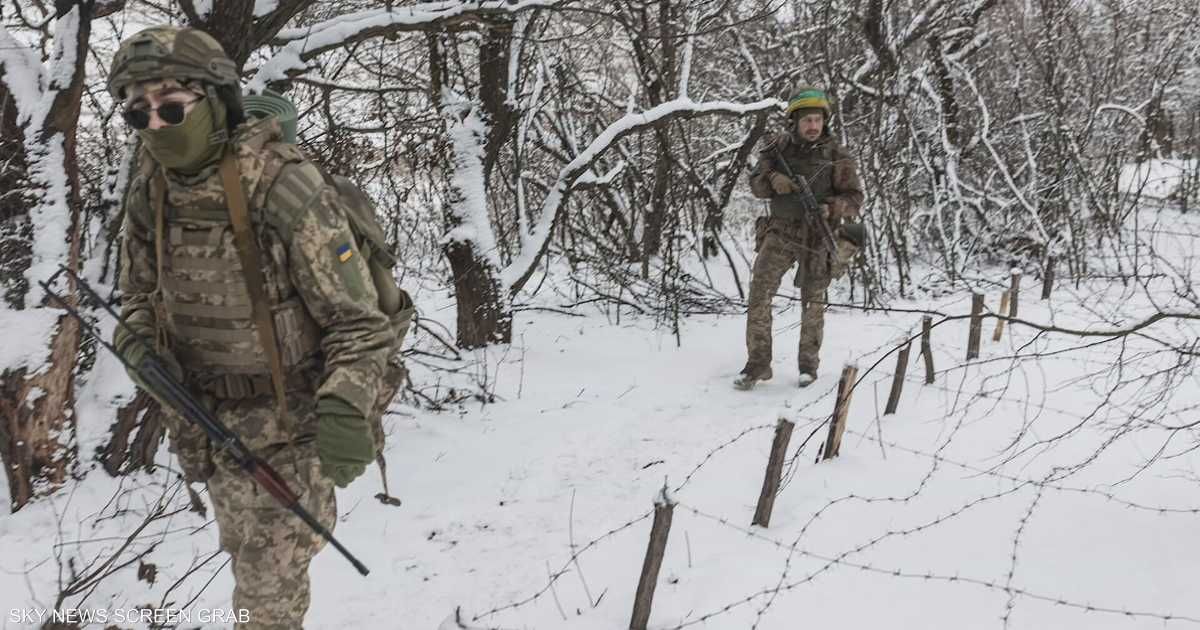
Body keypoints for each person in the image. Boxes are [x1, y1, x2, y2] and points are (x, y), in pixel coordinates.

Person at [108, 26, 394, 629]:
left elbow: (359, 326)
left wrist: (347, 406)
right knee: (250, 564)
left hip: (289, 428)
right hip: (209, 425)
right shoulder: (152, 189)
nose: (156, 126)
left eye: (170, 107)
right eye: (139, 113)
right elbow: (138, 295)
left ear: (215, 101)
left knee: (264, 602)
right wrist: (135, 339)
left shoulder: (284, 186)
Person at [735, 86, 865, 390]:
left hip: (818, 234)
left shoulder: (837, 155)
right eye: (806, 120)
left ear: (825, 122)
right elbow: (755, 184)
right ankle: (757, 364)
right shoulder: (777, 150)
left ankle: (808, 366)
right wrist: (771, 180)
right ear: (794, 121)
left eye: (817, 120)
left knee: (813, 301)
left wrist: (831, 207)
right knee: (760, 295)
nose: (812, 126)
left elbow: (856, 198)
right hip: (780, 231)